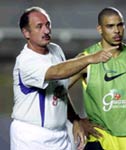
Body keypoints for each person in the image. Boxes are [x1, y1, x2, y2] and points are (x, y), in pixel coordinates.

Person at [11, 6, 117, 150]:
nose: (47, 30)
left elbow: (60, 91)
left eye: (48, 24)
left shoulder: (56, 50)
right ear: (26, 33)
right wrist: (90, 58)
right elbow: (56, 72)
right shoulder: (25, 61)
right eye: (39, 26)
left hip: (59, 135)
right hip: (31, 136)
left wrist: (75, 120)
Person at [69, 7, 126, 150]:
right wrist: (76, 120)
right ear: (100, 29)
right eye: (110, 26)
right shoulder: (87, 58)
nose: (117, 30)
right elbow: (58, 89)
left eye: (120, 25)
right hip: (99, 139)